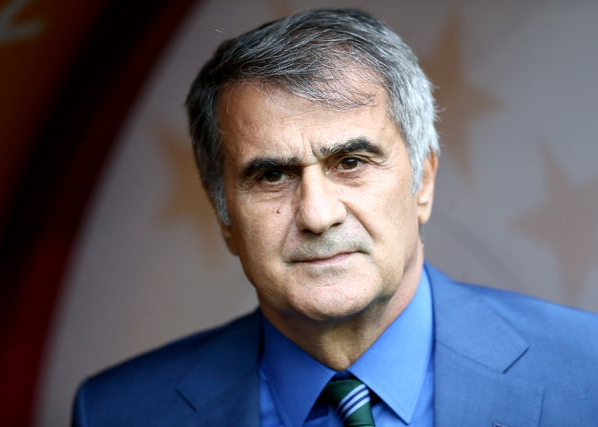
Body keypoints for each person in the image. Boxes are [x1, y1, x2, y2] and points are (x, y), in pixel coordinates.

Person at [72, 8, 598, 426]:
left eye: (351, 162)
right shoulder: (118, 413)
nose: (318, 215)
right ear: (223, 214)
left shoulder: (587, 372)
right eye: (272, 175)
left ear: (423, 181)